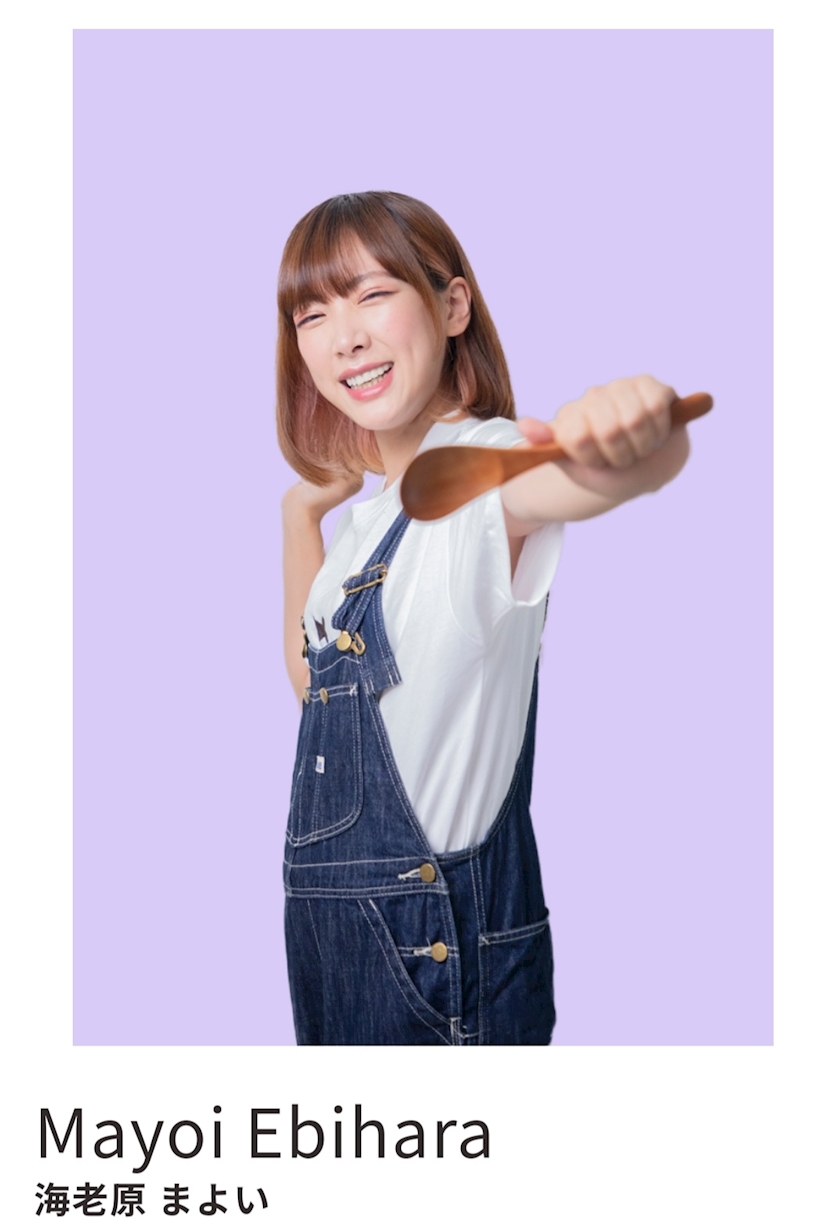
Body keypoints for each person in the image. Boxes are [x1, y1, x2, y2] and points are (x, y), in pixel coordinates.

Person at [277, 191, 690, 1046]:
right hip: (336, 967)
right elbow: (316, 687)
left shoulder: (479, 467)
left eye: (372, 294)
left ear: (453, 306)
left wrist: (631, 441)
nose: (343, 337)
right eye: (312, 314)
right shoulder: (365, 524)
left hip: (440, 976)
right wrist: (299, 517)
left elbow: (566, 478)